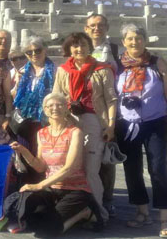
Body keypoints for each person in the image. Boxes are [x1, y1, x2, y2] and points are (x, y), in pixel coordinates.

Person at [3, 93, 100, 236]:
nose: (55, 108)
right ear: (45, 110)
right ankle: (57, 216)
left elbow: (70, 167)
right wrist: (23, 151)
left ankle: (85, 212)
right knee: (28, 221)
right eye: (50, 106)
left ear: (67, 108)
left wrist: (39, 185)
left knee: (46, 232)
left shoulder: (75, 132)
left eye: (59, 104)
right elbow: (40, 166)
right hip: (52, 190)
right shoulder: (41, 133)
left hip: (75, 189)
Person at [116, 24, 167, 239]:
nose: (135, 42)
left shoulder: (157, 62)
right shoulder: (118, 65)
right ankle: (142, 211)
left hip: (156, 122)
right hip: (127, 123)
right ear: (124, 42)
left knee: (158, 167)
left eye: (139, 38)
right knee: (131, 168)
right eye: (130, 39)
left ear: (145, 40)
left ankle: (165, 218)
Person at [53, 32, 118, 221]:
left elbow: (111, 99)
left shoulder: (102, 69)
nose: (79, 49)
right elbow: (56, 96)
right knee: (70, 167)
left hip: (94, 121)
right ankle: (75, 211)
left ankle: (98, 213)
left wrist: (111, 126)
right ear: (69, 49)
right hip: (70, 120)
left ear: (89, 47)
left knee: (91, 169)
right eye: (74, 46)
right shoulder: (63, 70)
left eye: (82, 45)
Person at [84, 14, 119, 216]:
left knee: (106, 157)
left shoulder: (114, 50)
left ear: (106, 28)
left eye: (100, 25)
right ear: (86, 28)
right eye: (92, 26)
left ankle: (107, 199)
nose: (96, 29)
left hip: (109, 111)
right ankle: (87, 196)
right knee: (86, 157)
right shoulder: (80, 47)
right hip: (86, 111)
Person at [12, 36, 55, 122]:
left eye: (38, 50)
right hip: (25, 118)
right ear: (26, 54)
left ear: (45, 50)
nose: (34, 54)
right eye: (29, 52)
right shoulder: (22, 71)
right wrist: (17, 85)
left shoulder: (55, 71)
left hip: (47, 117)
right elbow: (15, 96)